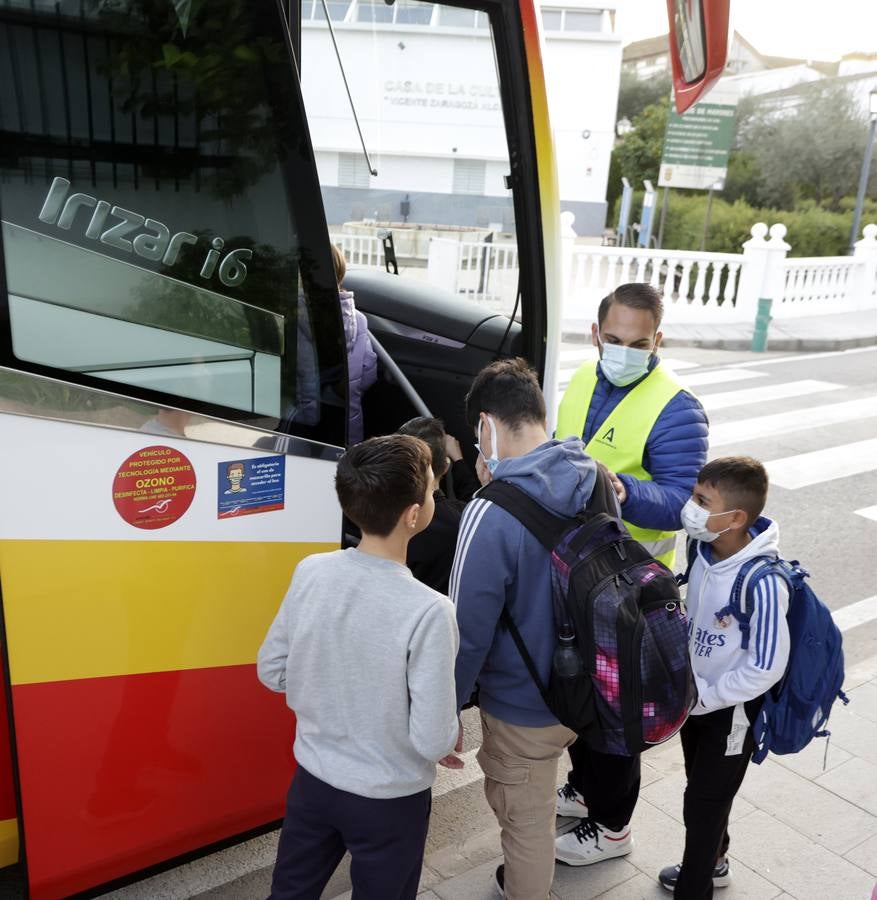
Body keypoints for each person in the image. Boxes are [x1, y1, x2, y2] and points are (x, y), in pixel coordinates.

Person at [257, 435, 461, 900]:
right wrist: (443, 734)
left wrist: (327, 694)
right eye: (432, 491)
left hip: (313, 780)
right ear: (414, 515)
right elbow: (431, 738)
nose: (433, 499)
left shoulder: (312, 570)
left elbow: (272, 669)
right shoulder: (430, 610)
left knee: (289, 892)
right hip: (390, 799)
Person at [553, 283, 709, 864]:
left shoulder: (677, 408)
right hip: (573, 570)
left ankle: (613, 827)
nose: (623, 351)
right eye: (613, 340)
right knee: (576, 694)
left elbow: (680, 503)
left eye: (637, 343)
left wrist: (624, 491)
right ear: (597, 335)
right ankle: (584, 787)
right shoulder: (581, 379)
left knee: (616, 709)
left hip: (627, 588)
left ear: (657, 341)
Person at [450, 357, 608, 900]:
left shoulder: (489, 511)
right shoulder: (593, 476)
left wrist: (443, 711)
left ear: (486, 426)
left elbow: (465, 634)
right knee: (533, 815)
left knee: (526, 827)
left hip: (524, 708)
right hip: (590, 691)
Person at [658, 456, 790, 898]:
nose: (690, 506)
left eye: (701, 499)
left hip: (728, 713)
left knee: (701, 805)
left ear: (735, 517)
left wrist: (709, 698)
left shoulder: (763, 582)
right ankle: (716, 859)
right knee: (705, 789)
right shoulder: (703, 549)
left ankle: (696, 885)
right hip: (693, 702)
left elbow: (767, 665)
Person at [397, 416, 480, 594]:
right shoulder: (464, 520)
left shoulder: (382, 516)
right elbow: (474, 503)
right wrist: (458, 460)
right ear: (444, 466)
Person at [332, 243, 378, 445]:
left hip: (301, 422)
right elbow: (368, 372)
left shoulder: (294, 315)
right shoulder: (358, 320)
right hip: (347, 426)